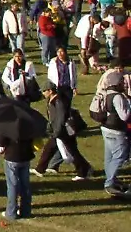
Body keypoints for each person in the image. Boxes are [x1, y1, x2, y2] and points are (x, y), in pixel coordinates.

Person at [33, 85, 92, 180]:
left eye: (44, 91)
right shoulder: (52, 100)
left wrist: (57, 132)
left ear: (50, 91)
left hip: (63, 131)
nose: (43, 93)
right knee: (49, 148)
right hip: (57, 130)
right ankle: (40, 169)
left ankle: (83, 171)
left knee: (71, 151)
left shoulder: (59, 101)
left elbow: (61, 118)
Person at [92, 68, 130, 197]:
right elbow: (124, 116)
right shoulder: (118, 97)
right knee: (120, 155)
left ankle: (111, 180)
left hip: (105, 128)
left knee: (109, 157)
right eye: (122, 82)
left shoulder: (107, 92)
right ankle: (109, 183)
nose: (124, 84)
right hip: (116, 130)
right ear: (116, 83)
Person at [0, 132, 35, 221]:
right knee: (25, 185)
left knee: (12, 186)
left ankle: (11, 212)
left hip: (12, 157)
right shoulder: (28, 123)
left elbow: (1, 141)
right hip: (26, 156)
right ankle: (26, 211)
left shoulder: (9, 125)